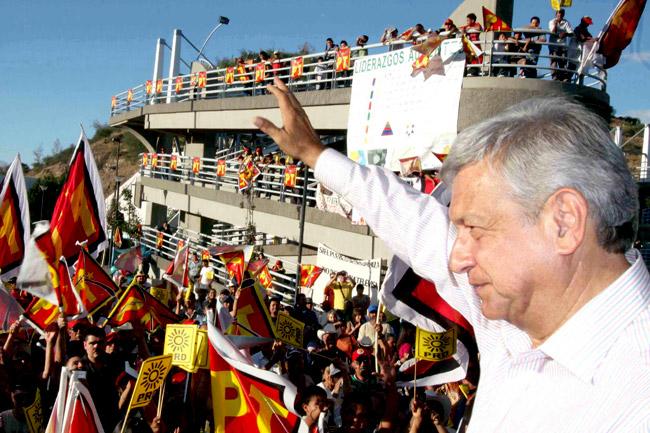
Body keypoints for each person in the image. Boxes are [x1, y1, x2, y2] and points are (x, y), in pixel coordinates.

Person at [254, 78, 649, 431]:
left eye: (474, 228)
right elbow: (413, 220)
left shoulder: (636, 402)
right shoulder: (514, 315)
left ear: (563, 222)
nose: (456, 258)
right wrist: (315, 154)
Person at [548, 8, 573, 81]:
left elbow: (571, 33)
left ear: (563, 15)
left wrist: (565, 34)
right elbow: (553, 32)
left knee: (563, 62)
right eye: (558, 14)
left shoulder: (566, 22)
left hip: (563, 46)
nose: (560, 15)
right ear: (556, 14)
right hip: (553, 45)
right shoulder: (552, 21)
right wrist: (555, 24)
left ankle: (563, 78)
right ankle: (555, 77)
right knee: (554, 62)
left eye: (561, 14)